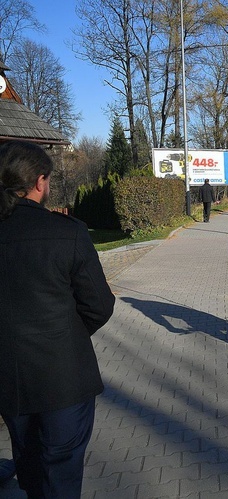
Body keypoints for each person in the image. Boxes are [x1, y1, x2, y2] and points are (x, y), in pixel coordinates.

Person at [0, 140, 115, 497]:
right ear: (39, 181)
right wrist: (67, 335)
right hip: (64, 378)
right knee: (61, 472)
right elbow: (99, 305)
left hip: (9, 380)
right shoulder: (69, 233)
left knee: (28, 460)